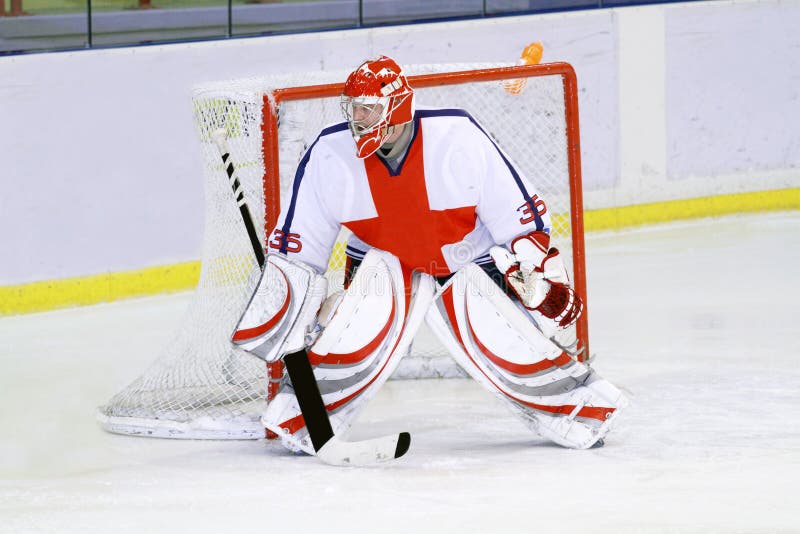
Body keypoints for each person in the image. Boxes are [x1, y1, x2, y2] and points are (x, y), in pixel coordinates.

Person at [248, 55, 627, 453]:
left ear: (397, 108)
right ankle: (303, 416)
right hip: (382, 262)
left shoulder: (457, 137)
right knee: (353, 328)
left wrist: (539, 284)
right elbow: (299, 246)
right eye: (353, 106)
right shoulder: (331, 153)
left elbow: (520, 220)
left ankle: (582, 411)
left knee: (499, 334)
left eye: (370, 108)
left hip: (466, 258)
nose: (358, 117)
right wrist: (297, 301)